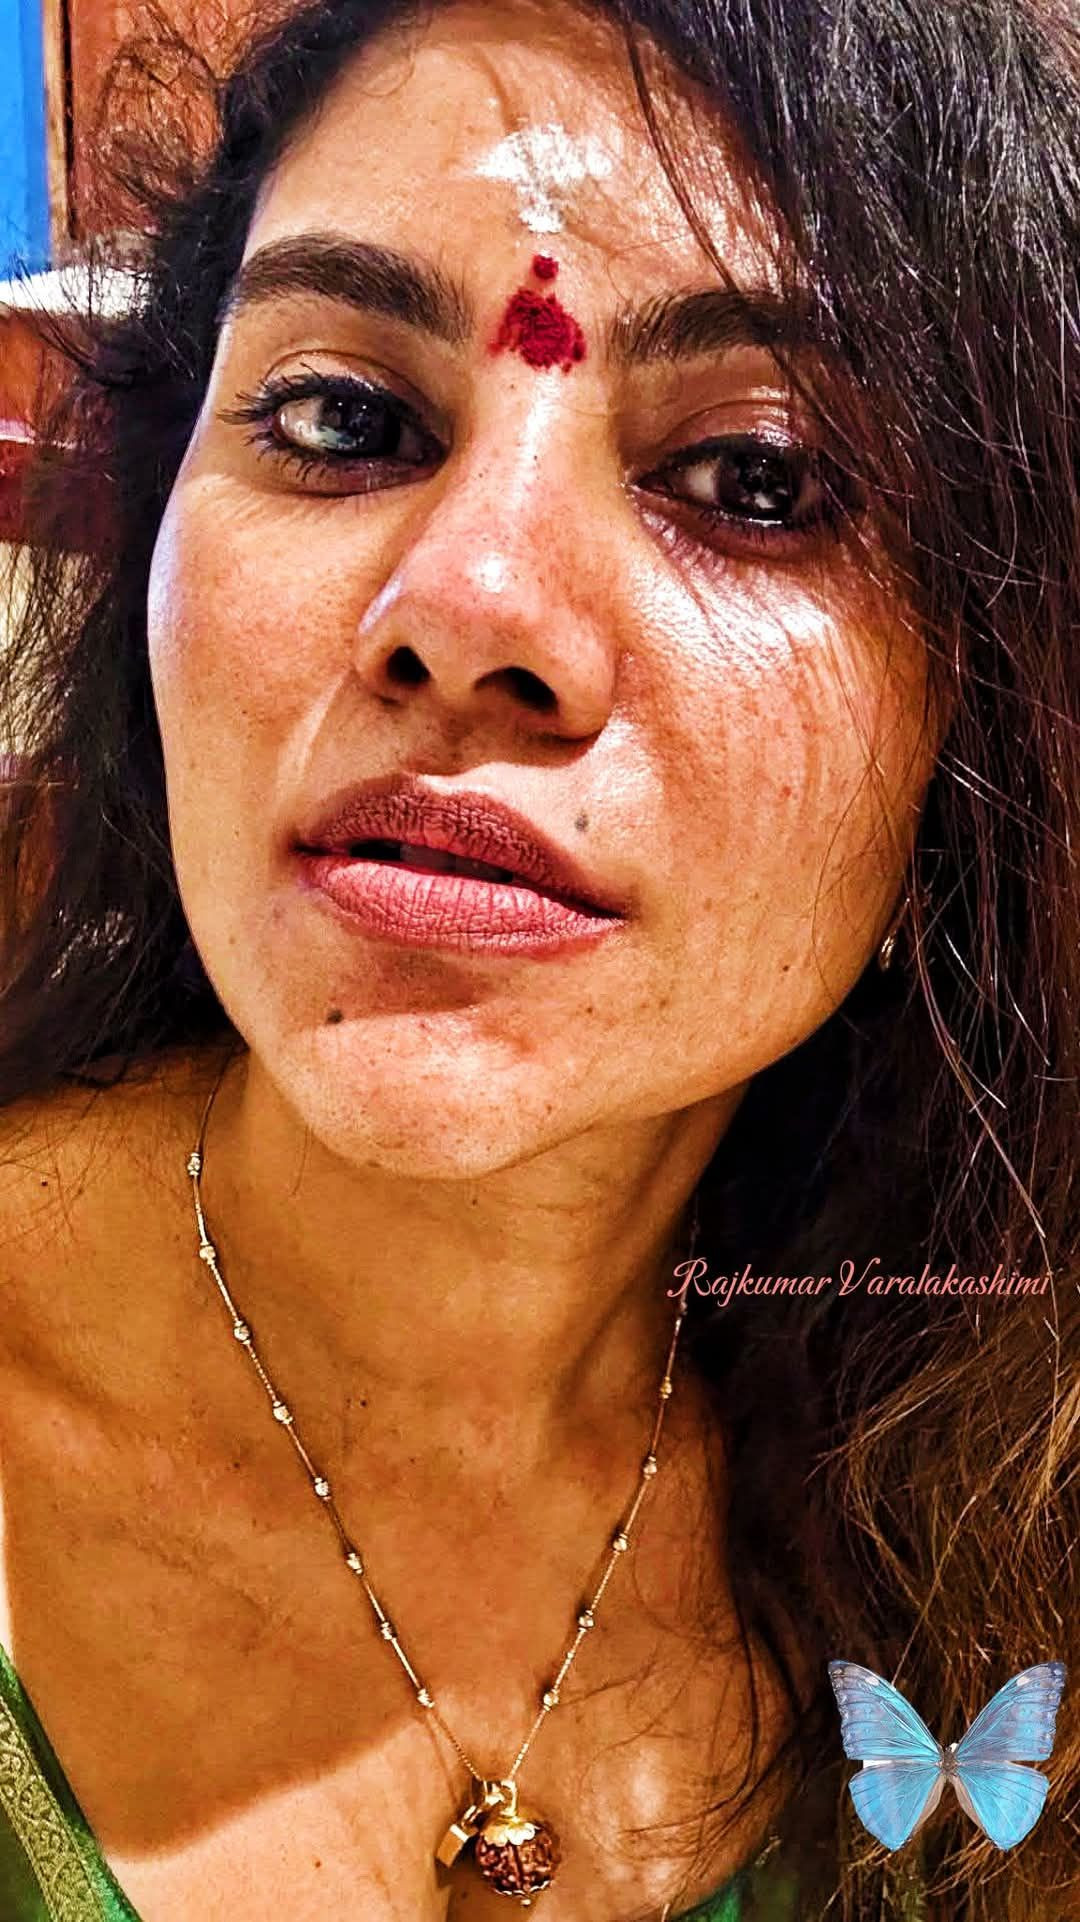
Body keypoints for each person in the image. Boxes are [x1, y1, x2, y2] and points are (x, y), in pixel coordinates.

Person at [0, 0, 1077, 1916]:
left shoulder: (1001, 1467)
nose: (472, 606)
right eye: (343, 419)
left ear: (986, 717)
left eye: (756, 479)